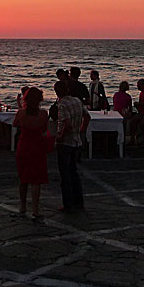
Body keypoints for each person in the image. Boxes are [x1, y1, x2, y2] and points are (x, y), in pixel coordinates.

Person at [13, 87, 51, 220]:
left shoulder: (21, 113)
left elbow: (15, 124)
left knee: (23, 178)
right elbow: (44, 129)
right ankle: (35, 209)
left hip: (24, 145)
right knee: (36, 180)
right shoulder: (43, 114)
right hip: (37, 146)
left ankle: (22, 205)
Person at [54, 81, 87, 213]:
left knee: (65, 175)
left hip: (65, 143)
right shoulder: (77, 101)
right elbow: (87, 116)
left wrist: (60, 137)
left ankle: (68, 204)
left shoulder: (62, 104)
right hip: (76, 141)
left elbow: (66, 124)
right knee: (74, 173)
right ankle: (79, 202)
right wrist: (81, 130)